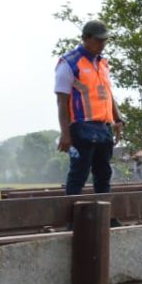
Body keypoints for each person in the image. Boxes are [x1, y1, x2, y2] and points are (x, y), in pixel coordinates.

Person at [55, 19, 124, 195]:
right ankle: (72, 220)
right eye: (99, 40)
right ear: (86, 38)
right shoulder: (69, 63)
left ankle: (105, 216)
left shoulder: (103, 63)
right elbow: (62, 100)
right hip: (81, 127)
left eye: (105, 40)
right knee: (80, 173)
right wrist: (65, 133)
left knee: (104, 174)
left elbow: (108, 93)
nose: (103, 44)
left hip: (103, 127)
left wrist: (118, 118)